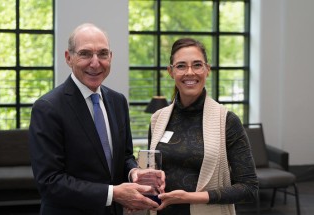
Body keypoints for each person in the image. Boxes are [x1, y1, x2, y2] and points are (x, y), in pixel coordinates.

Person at [29, 23, 164, 215]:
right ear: (69, 58)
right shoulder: (48, 108)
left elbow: (125, 156)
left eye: (102, 54)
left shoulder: (118, 101)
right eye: (85, 54)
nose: (95, 63)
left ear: (111, 57)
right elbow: (50, 182)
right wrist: (113, 193)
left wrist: (134, 172)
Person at [148, 38, 258, 215]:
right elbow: (151, 174)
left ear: (207, 70)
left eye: (197, 65)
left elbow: (249, 188)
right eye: (181, 66)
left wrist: (191, 198)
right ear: (170, 71)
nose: (189, 73)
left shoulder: (227, 121)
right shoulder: (157, 119)